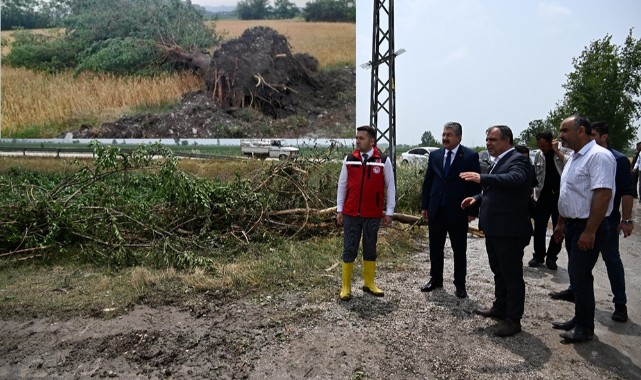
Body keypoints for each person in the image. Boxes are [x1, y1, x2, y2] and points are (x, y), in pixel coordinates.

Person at [460, 125, 533, 337]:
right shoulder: (499, 161)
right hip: (494, 228)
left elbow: (514, 180)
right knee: (498, 271)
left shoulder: (519, 160)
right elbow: (495, 189)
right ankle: (500, 307)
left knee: (512, 275)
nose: (488, 144)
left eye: (493, 140)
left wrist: (481, 178)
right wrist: (477, 198)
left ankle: (513, 320)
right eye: (487, 140)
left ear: (507, 141)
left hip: (510, 229)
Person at [550, 116, 615, 344]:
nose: (561, 135)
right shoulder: (574, 158)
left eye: (565, 130)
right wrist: (560, 223)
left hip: (589, 226)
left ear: (582, 131)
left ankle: (585, 328)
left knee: (581, 276)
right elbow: (568, 194)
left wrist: (590, 231)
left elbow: (603, 194)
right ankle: (579, 319)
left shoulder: (599, 157)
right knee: (576, 275)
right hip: (573, 225)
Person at [420, 122, 481, 299]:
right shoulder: (435, 155)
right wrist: (425, 206)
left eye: (449, 135)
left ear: (459, 137)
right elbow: (428, 182)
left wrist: (472, 211)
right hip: (436, 209)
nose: (445, 138)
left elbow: (474, 186)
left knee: (459, 249)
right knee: (435, 247)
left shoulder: (469, 156)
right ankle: (436, 279)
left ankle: (460, 285)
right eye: (444, 134)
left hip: (458, 210)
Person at [336, 125, 395, 301]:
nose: (357, 141)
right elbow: (342, 185)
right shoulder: (349, 159)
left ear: (371, 141)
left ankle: (369, 283)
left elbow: (390, 187)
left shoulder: (382, 160)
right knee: (350, 247)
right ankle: (346, 287)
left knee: (370, 247)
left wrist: (389, 211)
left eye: (361, 138)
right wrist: (340, 209)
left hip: (372, 213)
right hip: (351, 213)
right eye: (356, 138)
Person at [589, 122, 633, 322]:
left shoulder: (619, 160)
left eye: (594, 134)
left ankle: (620, 304)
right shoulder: (587, 157)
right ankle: (576, 292)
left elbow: (626, 192)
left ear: (604, 137)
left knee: (612, 261)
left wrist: (626, 219)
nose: (589, 138)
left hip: (608, 221)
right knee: (579, 261)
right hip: (585, 219)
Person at [528, 132, 571, 270]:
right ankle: (538, 256)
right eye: (539, 146)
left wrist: (556, 151)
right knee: (539, 227)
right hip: (543, 195)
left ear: (550, 142)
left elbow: (569, 164)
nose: (542, 149)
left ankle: (552, 257)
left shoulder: (564, 151)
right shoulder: (539, 155)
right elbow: (536, 175)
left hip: (560, 195)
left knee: (559, 228)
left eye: (544, 146)